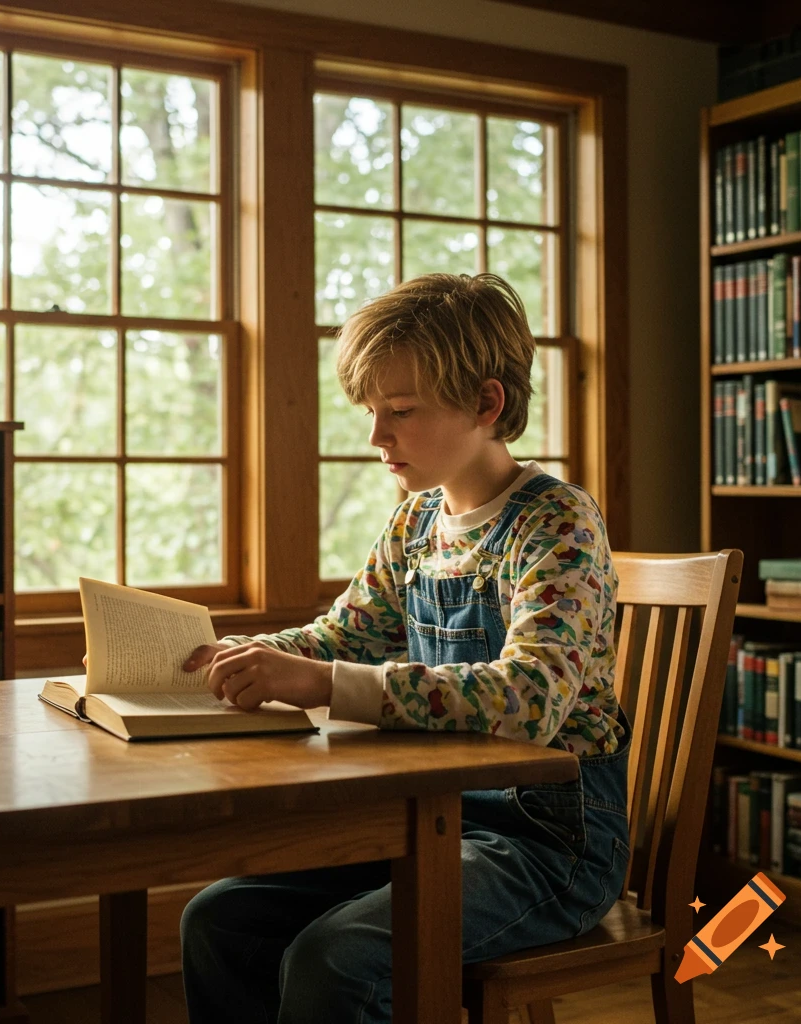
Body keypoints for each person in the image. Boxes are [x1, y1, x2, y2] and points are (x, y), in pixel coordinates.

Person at [177, 272, 630, 1024]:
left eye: (401, 411)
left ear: (487, 404)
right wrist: (230, 653)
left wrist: (325, 682)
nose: (376, 437)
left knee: (337, 960)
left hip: (549, 846)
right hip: (430, 821)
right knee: (219, 920)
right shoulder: (414, 524)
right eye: (371, 411)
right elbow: (336, 638)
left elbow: (530, 700)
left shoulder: (557, 523)